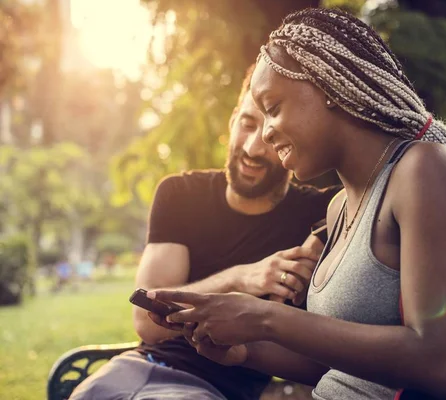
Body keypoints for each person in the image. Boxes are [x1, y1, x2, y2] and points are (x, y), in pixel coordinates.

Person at [149, 8, 446, 400]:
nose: (266, 134)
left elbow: (440, 362)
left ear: (328, 87)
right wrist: (243, 351)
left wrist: (265, 318)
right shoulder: (339, 208)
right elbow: (340, 363)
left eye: (273, 108)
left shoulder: (425, 171)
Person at [69, 64, 340, 400]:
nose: (254, 148)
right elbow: (147, 322)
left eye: (273, 135)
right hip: (128, 370)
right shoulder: (180, 193)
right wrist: (240, 278)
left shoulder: (325, 214)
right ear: (232, 121)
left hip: (207, 390)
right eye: (247, 124)